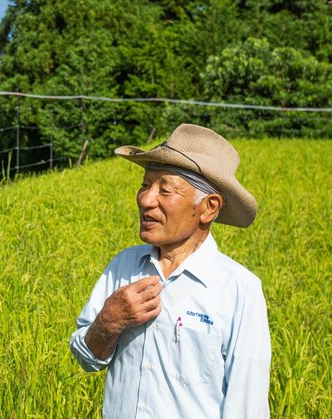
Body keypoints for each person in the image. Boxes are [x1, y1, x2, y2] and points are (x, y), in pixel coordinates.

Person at [69, 124, 271, 418]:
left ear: (209, 208)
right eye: (145, 185)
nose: (146, 200)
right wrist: (108, 322)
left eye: (165, 189)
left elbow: (247, 408)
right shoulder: (123, 266)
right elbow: (86, 359)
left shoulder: (238, 290)